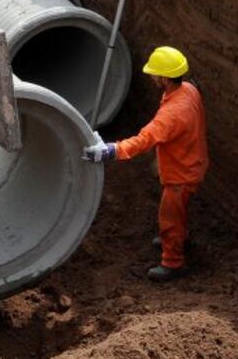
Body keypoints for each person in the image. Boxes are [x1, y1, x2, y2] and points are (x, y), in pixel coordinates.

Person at [83, 46, 209, 282]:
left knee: (169, 218)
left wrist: (111, 151)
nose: (151, 77)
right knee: (177, 210)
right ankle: (179, 236)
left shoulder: (172, 114)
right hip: (192, 161)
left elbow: (144, 140)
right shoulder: (188, 91)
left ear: (164, 78)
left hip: (181, 174)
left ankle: (173, 263)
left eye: (154, 74)